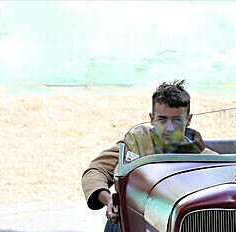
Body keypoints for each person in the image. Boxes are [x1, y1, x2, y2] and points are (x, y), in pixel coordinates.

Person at [81, 80, 214, 223]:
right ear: (152, 118)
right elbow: (96, 171)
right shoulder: (137, 142)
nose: (169, 128)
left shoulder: (207, 159)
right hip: (139, 220)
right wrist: (109, 201)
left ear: (188, 120)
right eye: (162, 120)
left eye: (176, 120)